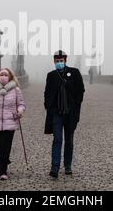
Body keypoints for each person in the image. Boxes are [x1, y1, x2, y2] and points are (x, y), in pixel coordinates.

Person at [44, 50, 85, 178]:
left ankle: (67, 166)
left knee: (69, 140)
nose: (59, 63)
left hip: (70, 113)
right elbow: (47, 93)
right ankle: (55, 168)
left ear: (65, 60)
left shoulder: (74, 73)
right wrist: (48, 107)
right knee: (57, 139)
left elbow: (80, 91)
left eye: (61, 61)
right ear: (54, 61)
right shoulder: (51, 75)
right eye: (57, 61)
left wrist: (76, 106)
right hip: (56, 113)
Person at [0, 68, 26, 180]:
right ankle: (5, 160)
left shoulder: (16, 90)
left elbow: (21, 104)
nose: (3, 77)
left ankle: (1, 172)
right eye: (1, 75)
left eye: (5, 75)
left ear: (10, 77)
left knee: (4, 148)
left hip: (10, 123)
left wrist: (20, 111)